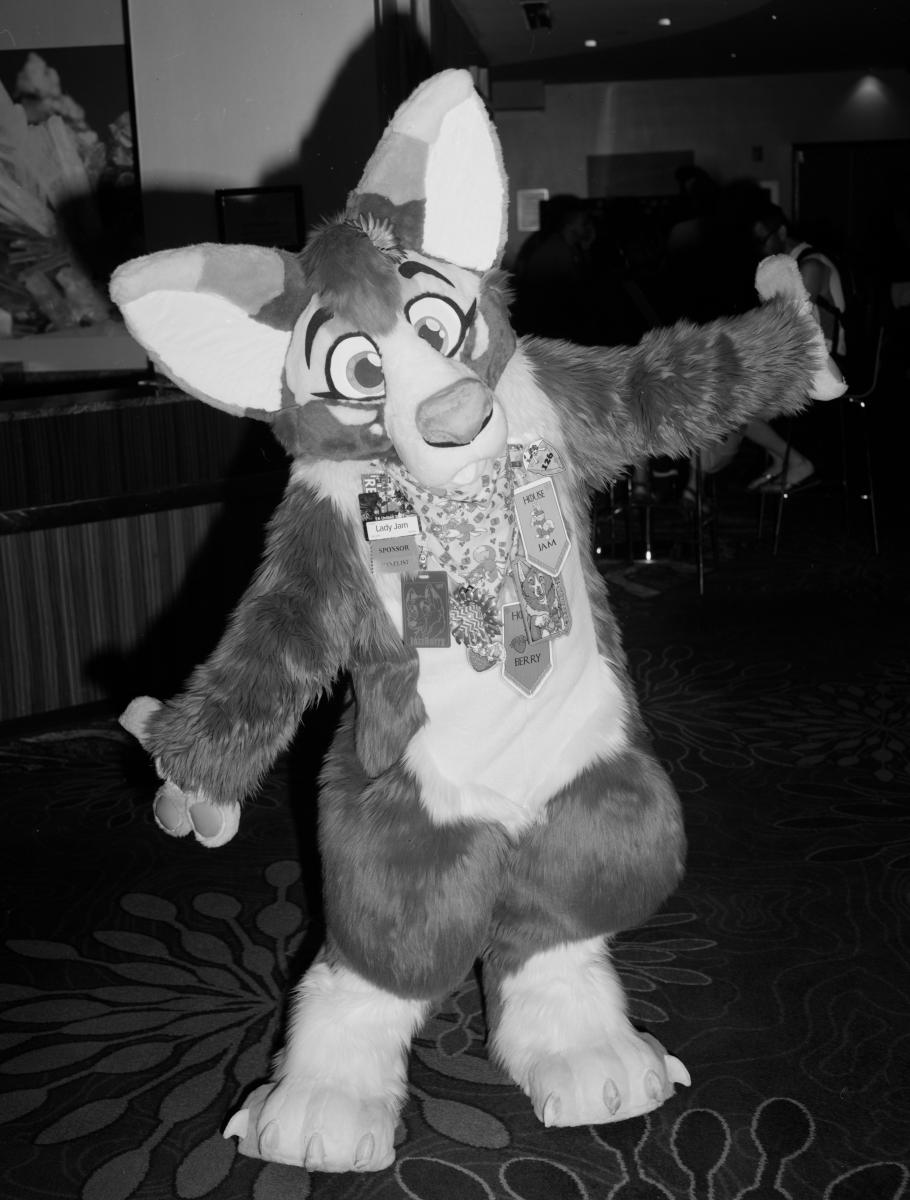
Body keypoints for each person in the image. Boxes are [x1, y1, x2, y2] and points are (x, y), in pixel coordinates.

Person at [679, 202, 846, 502]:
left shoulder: (812, 265)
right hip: (796, 359)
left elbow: (796, 324)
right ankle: (776, 460)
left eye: (763, 239)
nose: (760, 247)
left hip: (827, 364)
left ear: (781, 231)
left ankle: (794, 462)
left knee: (734, 399)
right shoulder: (778, 270)